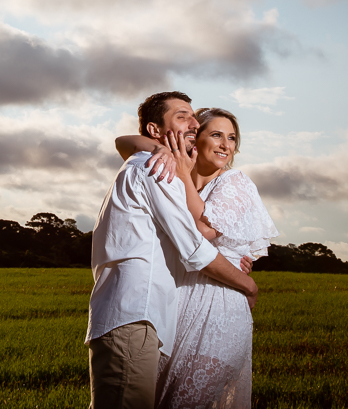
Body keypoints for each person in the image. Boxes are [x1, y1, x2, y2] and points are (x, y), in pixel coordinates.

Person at [86, 92, 258, 409]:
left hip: (147, 313)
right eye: (182, 117)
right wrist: (247, 283)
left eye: (231, 137)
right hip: (136, 310)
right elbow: (195, 248)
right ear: (155, 130)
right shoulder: (156, 168)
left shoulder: (157, 167)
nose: (193, 123)